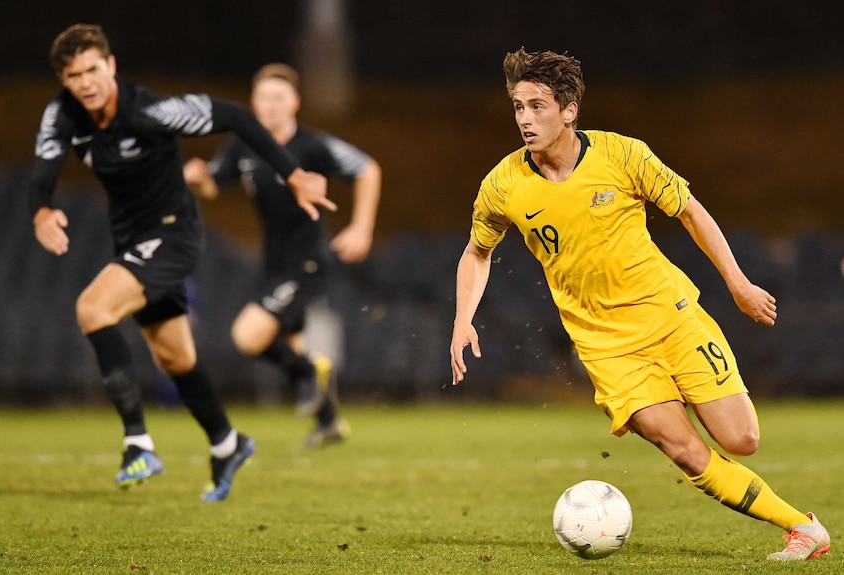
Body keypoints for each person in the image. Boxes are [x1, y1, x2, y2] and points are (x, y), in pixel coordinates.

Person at [449, 48, 830, 561]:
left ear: (569, 110)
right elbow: (477, 252)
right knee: (684, 450)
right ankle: (803, 530)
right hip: (607, 349)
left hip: (671, 318)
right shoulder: (502, 185)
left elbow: (691, 211)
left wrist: (738, 283)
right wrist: (462, 320)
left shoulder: (624, 156)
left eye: (537, 106)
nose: (524, 119)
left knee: (741, 441)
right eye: (518, 107)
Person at [30, 24, 336, 501]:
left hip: (173, 233)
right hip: (132, 239)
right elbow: (43, 171)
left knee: (93, 308)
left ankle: (137, 444)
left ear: (110, 66)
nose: (86, 82)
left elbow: (235, 115)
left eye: (93, 69)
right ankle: (228, 443)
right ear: (64, 80)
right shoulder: (64, 114)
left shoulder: (153, 110)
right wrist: (42, 209)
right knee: (174, 357)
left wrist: (292, 173)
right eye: (74, 75)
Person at [184, 63, 381, 447]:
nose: (270, 105)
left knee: (247, 336)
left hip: (307, 262)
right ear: (253, 103)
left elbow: (367, 169)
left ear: (295, 102)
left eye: (278, 97)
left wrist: (361, 228)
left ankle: (312, 373)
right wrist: (198, 180)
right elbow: (214, 185)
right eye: (263, 98)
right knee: (289, 350)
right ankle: (329, 423)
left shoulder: (310, 146)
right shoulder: (243, 144)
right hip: (273, 263)